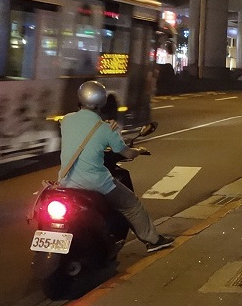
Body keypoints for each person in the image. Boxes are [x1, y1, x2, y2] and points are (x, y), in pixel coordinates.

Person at [60, 81, 173, 252]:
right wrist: (138, 150)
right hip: (96, 183)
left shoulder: (66, 121)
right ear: (103, 102)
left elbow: (81, 131)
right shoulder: (107, 129)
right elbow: (126, 153)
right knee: (131, 204)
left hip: (66, 181)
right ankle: (153, 240)